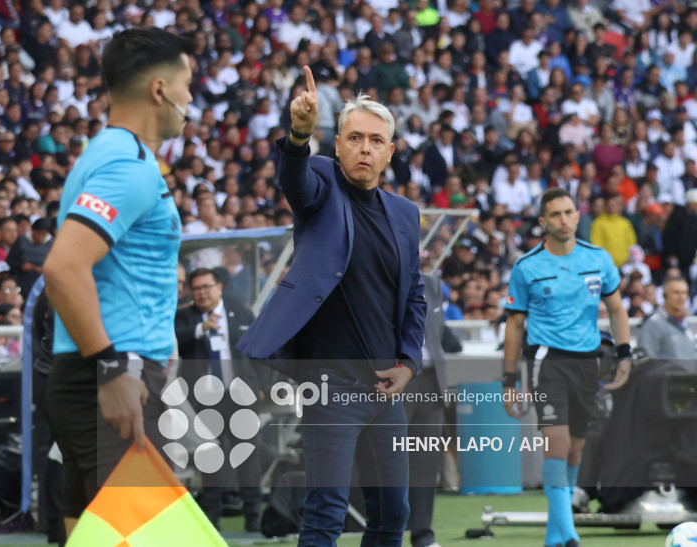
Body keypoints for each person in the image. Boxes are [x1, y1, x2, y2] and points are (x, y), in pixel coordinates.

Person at [238, 67, 426, 547]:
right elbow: (294, 180)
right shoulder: (321, 181)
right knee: (326, 513)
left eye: (376, 140)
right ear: (338, 145)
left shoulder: (405, 214)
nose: (365, 147)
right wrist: (300, 134)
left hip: (386, 389)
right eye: (355, 137)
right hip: (332, 385)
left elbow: (415, 294)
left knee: (393, 513)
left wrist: (408, 362)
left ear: (389, 152)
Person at [42, 28, 193, 538]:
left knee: (87, 533)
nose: (190, 101)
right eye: (187, 85)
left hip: (99, 376)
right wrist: (111, 370)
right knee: (147, 535)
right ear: (159, 90)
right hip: (113, 377)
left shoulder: (109, 154)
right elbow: (63, 268)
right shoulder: (128, 165)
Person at [502, 187, 632, 547]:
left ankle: (553, 538)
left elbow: (617, 309)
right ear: (543, 222)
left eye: (568, 212)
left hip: (588, 362)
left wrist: (624, 353)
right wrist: (509, 379)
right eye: (555, 214)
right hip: (547, 361)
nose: (563, 219)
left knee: (575, 449)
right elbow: (514, 325)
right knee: (556, 446)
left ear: (578, 216)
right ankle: (571, 537)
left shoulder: (599, 259)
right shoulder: (527, 266)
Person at [174, 267, 263, 532]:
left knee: (248, 456)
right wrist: (201, 328)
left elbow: (260, 350)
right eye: (197, 288)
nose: (202, 293)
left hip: (240, 396)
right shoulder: (183, 318)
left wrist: (261, 385)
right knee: (210, 460)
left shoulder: (241, 312)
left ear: (219, 287)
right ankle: (211, 520)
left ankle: (254, 517)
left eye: (206, 287)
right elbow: (176, 341)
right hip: (205, 399)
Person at [404, 272, 448, 547]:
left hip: (432, 381)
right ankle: (388, 532)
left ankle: (423, 533)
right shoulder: (380, 277)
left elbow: (437, 335)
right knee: (387, 461)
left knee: (426, 462)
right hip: (396, 379)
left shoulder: (431, 283)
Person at [637, 277, 697, 371]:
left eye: (684, 293)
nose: (681, 297)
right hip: (665, 382)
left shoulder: (688, 325)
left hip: (690, 382)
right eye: (676, 292)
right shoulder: (653, 324)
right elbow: (646, 362)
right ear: (665, 295)